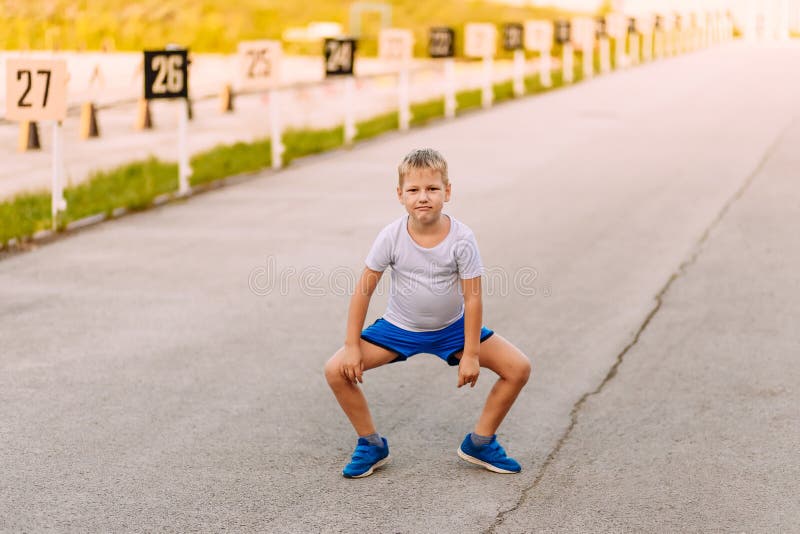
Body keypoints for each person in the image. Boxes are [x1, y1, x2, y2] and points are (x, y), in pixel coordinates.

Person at [324, 148, 531, 478]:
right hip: (398, 329)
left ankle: (481, 442)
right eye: (414, 190)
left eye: (432, 189)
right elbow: (364, 289)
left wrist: (472, 354)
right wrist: (351, 346)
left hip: (452, 329)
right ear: (400, 195)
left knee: (518, 368)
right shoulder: (391, 236)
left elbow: (473, 298)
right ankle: (370, 444)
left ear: (447, 192)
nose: (423, 197)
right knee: (336, 370)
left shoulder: (462, 238)